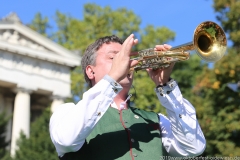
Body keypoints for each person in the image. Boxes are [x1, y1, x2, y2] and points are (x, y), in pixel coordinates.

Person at [49, 34, 206, 160]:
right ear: (91, 71)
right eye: (114, 58)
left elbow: (194, 147)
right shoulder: (67, 112)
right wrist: (113, 77)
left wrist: (165, 85)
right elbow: (66, 140)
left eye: (126, 57)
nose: (126, 62)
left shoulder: (156, 119)